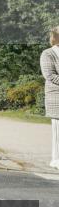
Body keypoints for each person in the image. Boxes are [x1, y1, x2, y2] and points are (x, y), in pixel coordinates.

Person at [41, 26, 59, 170]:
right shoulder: (48, 54)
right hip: (56, 98)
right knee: (58, 132)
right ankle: (56, 160)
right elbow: (50, 76)